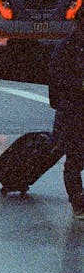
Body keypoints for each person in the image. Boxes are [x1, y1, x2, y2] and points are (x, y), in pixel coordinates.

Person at [49, 21, 84, 217]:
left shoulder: (66, 46)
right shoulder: (69, 48)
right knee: (75, 158)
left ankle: (78, 202)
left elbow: (55, 79)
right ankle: (78, 201)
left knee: (74, 158)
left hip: (70, 109)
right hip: (74, 108)